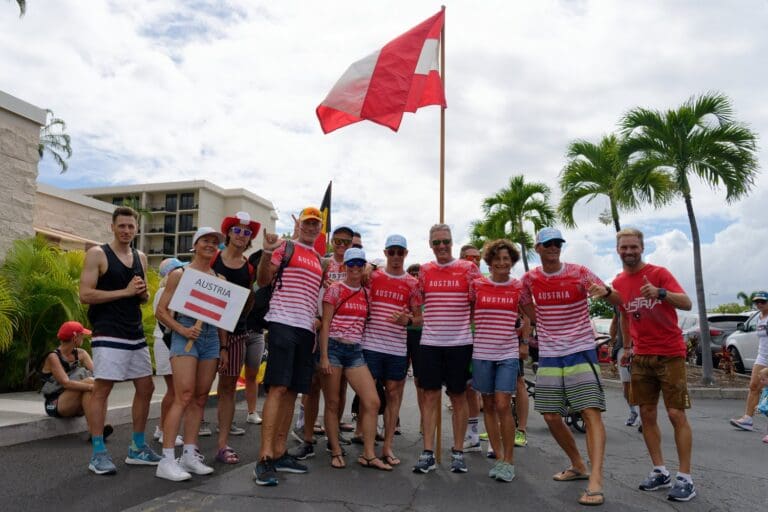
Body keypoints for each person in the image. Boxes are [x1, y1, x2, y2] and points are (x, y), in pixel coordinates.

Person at [519, 227, 620, 506]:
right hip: (550, 354)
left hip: (580, 350)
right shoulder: (529, 279)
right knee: (550, 415)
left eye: (557, 244)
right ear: (537, 248)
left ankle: (596, 481)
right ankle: (578, 464)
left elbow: (617, 300)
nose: (553, 248)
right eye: (547, 244)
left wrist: (606, 291)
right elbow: (528, 309)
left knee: (590, 413)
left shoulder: (579, 272)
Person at [611, 227, 696, 502]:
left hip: (670, 354)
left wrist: (660, 293)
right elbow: (624, 315)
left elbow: (686, 303)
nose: (629, 251)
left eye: (633, 246)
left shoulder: (659, 273)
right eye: (624, 247)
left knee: (675, 414)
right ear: (617, 249)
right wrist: (628, 347)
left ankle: (686, 478)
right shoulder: (619, 282)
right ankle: (660, 471)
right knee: (646, 414)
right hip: (641, 357)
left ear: (642, 247)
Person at [79, 206, 161, 475]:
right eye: (122, 226)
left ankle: (137, 448)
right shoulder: (98, 254)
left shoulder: (141, 257)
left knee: (146, 387)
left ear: (136, 229)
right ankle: (98, 452)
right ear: (112, 227)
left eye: (131, 226)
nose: (126, 230)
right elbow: (86, 294)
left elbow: (142, 297)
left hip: (134, 332)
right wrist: (124, 291)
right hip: (108, 331)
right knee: (102, 390)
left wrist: (141, 295)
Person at [254, 206, 324, 486]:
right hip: (282, 323)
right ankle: (264, 457)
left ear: (320, 229)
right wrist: (268, 253)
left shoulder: (319, 258)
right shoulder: (285, 247)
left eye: (315, 224)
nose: (310, 227)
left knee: (293, 391)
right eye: (307, 223)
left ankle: (281, 451)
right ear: (300, 225)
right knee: (278, 388)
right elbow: (262, 280)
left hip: (306, 330)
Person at [154, 227, 226, 481]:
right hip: (184, 337)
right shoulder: (179, 274)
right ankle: (166, 460)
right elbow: (161, 311)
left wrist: (223, 347)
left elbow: (221, 317)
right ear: (195, 245)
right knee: (183, 396)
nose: (210, 244)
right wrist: (182, 329)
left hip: (210, 339)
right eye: (205, 240)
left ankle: (189, 454)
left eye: (214, 242)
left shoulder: (220, 279)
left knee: (200, 397)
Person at [413, 224, 482, 474]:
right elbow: (417, 301)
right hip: (431, 343)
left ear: (452, 242)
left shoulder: (468, 268)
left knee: (458, 396)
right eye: (436, 242)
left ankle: (458, 452)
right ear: (430, 245)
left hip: (459, 343)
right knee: (429, 396)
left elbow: (477, 300)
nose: (441, 246)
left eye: (446, 241)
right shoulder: (424, 270)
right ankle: (428, 452)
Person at [318, 247, 392, 470]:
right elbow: (326, 323)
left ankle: (368, 455)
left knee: (372, 401)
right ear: (344, 267)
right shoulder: (335, 290)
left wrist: (370, 267)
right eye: (351, 265)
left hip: (355, 351)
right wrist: (323, 356)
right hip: (333, 348)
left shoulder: (366, 292)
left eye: (360, 265)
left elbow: (379, 268)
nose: (356, 269)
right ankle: (336, 450)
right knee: (332, 403)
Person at [361, 235, 422, 466]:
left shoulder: (412, 283)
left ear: (406, 254)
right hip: (371, 345)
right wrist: (368, 265)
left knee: (394, 396)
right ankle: (368, 450)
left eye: (400, 252)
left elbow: (419, 319)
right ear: (385, 253)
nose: (396, 256)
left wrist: (407, 320)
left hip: (397, 348)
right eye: (392, 252)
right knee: (369, 398)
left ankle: (387, 446)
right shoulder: (372, 277)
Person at [470, 239, 524, 482]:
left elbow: (528, 313)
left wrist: (525, 340)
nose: (502, 263)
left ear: (511, 262)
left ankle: (509, 460)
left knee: (503, 404)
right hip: (482, 353)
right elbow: (465, 310)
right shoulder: (477, 285)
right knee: (489, 405)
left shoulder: (518, 287)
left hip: (507, 353)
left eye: (507, 259)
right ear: (489, 262)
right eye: (497, 259)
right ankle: (499, 455)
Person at [211, 211, 261, 464]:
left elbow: (249, 297)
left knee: (228, 388)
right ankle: (184, 443)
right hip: (205, 332)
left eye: (247, 232)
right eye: (238, 230)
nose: (242, 235)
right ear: (229, 232)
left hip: (236, 334)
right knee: (195, 391)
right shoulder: (211, 258)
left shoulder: (248, 267)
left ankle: (222, 444)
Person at [41, 321, 110, 436]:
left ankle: (97, 429)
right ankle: (96, 429)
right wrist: (91, 386)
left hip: (74, 402)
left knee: (97, 384)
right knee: (91, 384)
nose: (83, 336)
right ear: (75, 338)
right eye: (81, 334)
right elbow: (66, 383)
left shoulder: (81, 353)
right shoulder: (53, 357)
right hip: (55, 404)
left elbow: (98, 375)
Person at [152, 258, 187, 448]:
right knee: (174, 391)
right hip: (167, 342)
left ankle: (162, 428)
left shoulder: (164, 291)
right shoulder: (164, 292)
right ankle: (165, 430)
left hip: (165, 341)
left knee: (174, 391)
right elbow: (168, 318)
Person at [729, 291, 768, 433]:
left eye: (763, 302)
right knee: (753, 386)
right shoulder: (759, 317)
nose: (759, 304)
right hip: (762, 356)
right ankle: (748, 419)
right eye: (757, 302)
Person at [459, 244, 483, 453]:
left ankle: (495, 440)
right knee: (469, 389)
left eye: (478, 258)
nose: (475, 261)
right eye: (470, 257)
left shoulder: (487, 280)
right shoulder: (459, 279)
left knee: (493, 393)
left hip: (487, 341)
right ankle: (473, 436)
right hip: (463, 340)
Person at [245, 250, 268, 427]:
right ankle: (224, 419)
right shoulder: (244, 282)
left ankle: (252, 412)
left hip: (257, 333)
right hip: (237, 333)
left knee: (252, 375)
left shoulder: (270, 287)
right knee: (228, 379)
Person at [610, 313, 639, 427]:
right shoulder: (618, 302)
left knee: (640, 382)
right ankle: (633, 411)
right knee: (626, 385)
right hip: (622, 347)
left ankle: (643, 417)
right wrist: (611, 344)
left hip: (641, 345)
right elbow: (614, 323)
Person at [755, 367, 768, 443]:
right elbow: (763, 399)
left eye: (763, 380)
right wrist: (759, 406)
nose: (761, 382)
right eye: (761, 380)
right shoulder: (766, 389)